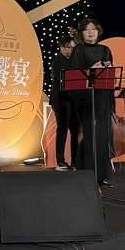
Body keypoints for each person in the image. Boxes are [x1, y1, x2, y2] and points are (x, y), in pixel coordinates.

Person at [68, 19, 115, 187]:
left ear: (98, 31)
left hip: (103, 97)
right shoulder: (78, 50)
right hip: (86, 98)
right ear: (82, 33)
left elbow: (110, 76)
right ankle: (88, 173)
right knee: (90, 135)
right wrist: (91, 70)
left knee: (103, 135)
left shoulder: (105, 50)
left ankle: (103, 175)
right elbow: (74, 75)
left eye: (93, 29)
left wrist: (106, 68)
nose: (90, 32)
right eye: (87, 29)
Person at [49, 29, 80, 170]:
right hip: (61, 100)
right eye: (68, 47)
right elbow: (62, 80)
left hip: (73, 100)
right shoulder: (57, 61)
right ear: (61, 47)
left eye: (72, 47)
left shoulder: (74, 60)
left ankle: (75, 161)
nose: (71, 50)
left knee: (75, 130)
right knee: (62, 129)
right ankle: (60, 161)